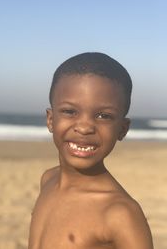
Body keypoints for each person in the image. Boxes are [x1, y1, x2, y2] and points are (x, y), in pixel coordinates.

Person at [28, 52, 153, 249]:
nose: (85, 127)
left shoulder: (120, 214)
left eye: (103, 116)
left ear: (122, 129)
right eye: (70, 112)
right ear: (51, 120)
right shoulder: (48, 179)